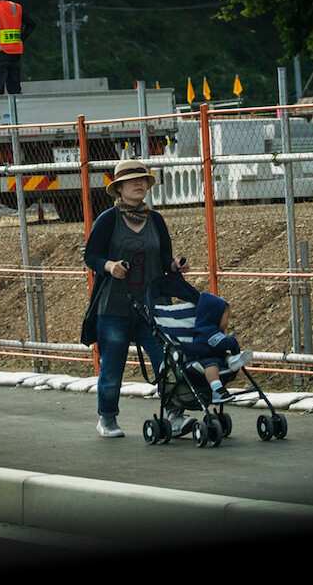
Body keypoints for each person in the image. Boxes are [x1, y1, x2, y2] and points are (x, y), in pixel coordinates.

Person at [82, 159, 189, 438]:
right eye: (133, 181)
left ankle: (175, 415)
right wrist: (109, 266)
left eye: (143, 180)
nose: (140, 184)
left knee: (167, 360)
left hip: (152, 306)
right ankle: (107, 419)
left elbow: (165, 260)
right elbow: (90, 256)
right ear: (119, 189)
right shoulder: (108, 220)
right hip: (114, 305)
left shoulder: (156, 220)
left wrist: (175, 266)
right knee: (112, 365)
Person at [190, 291, 254, 403]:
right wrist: (233, 343)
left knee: (223, 355)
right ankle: (217, 389)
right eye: (226, 318)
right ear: (214, 316)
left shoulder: (214, 330)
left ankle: (232, 360)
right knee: (212, 365)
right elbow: (222, 343)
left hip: (215, 354)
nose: (228, 322)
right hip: (202, 359)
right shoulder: (206, 331)